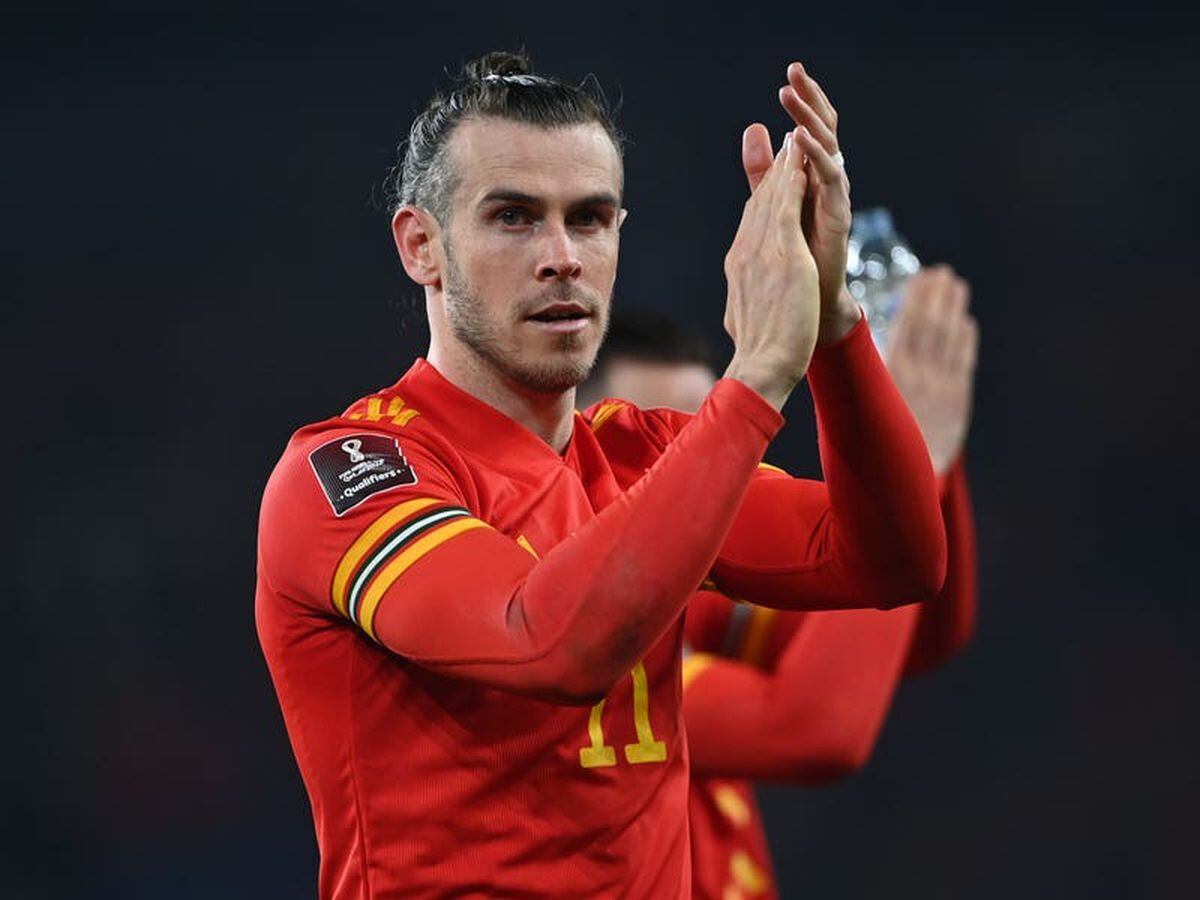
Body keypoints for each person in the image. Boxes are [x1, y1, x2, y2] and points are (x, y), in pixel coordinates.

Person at [255, 50, 947, 899]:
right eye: (513, 217)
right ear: (421, 246)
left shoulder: (643, 454)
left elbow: (896, 559)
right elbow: (550, 643)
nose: (561, 256)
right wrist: (758, 374)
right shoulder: (349, 472)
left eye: (589, 218)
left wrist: (835, 324)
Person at [581, 266, 979, 899]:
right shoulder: (582, 657)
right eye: (656, 450)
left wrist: (911, 460)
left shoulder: (704, 608)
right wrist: (921, 457)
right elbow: (813, 725)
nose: (698, 475)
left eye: (704, 438)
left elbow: (924, 630)